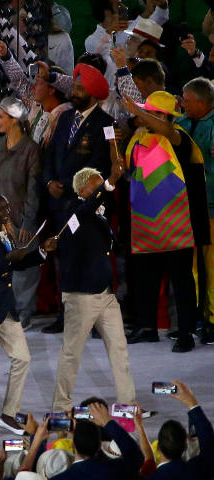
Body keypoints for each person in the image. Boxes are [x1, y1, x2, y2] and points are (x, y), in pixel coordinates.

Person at [122, 91, 210, 352]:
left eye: (153, 113)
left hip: (178, 223)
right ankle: (148, 328)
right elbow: (131, 175)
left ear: (165, 117)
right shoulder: (141, 140)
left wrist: (139, 113)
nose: (147, 118)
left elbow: (167, 130)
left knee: (181, 280)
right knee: (147, 278)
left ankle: (185, 334)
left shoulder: (178, 137)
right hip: (147, 222)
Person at [0, 191, 56, 435]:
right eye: (1, 209)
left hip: (5, 308)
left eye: (7, 207)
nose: (7, 212)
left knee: (23, 358)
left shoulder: (5, 234)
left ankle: (8, 414)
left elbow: (17, 262)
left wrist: (41, 252)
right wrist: (7, 259)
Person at [51, 164, 136, 412]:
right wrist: (109, 182)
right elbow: (85, 210)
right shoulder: (72, 210)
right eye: (98, 185)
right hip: (81, 297)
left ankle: (127, 404)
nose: (103, 190)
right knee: (72, 354)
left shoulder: (97, 212)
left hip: (106, 295)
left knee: (119, 350)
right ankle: (61, 405)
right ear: (85, 187)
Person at [41, 62, 114, 335]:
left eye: (80, 88)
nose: (74, 92)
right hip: (59, 203)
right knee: (66, 261)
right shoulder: (64, 119)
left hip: (87, 206)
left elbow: (100, 166)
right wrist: (49, 182)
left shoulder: (105, 124)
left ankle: (95, 320)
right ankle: (67, 315)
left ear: (93, 93)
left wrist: (72, 189)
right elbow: (49, 156)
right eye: (74, 86)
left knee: (90, 261)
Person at [0, 97, 40, 329]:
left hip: (18, 217)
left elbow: (33, 191)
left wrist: (27, 222)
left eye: (0, 116)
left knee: (23, 267)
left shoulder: (30, 151)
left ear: (15, 120)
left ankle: (22, 310)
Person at [176, 77, 214, 345]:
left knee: (212, 267)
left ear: (202, 102)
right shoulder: (180, 124)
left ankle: (212, 320)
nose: (182, 103)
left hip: (211, 206)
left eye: (186, 100)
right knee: (190, 268)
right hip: (183, 207)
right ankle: (194, 319)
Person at [50, 402, 143, 480]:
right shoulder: (117, 470)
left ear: (73, 446)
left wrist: (37, 438)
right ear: (99, 445)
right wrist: (107, 421)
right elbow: (135, 456)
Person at [149, 381, 214, 480]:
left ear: (158, 448)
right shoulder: (199, 469)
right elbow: (209, 442)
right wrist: (192, 403)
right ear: (186, 446)